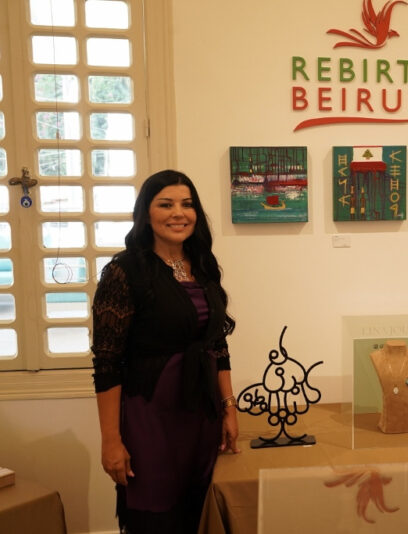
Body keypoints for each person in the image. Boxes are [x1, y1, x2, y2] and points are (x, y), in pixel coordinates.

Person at [91, 169, 240, 534]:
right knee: (156, 514)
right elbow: (107, 362)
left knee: (199, 511)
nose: (178, 213)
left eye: (187, 204)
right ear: (146, 213)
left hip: (201, 413)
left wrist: (229, 409)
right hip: (151, 416)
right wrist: (111, 440)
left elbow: (217, 345)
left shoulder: (203, 266)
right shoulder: (124, 272)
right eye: (166, 204)